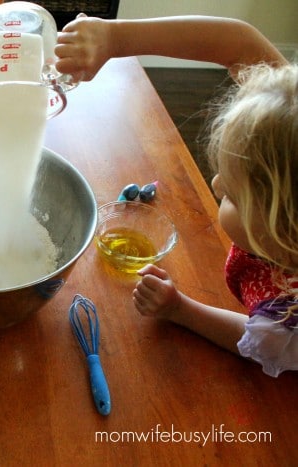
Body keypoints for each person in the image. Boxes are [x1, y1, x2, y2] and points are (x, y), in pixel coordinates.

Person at [55, 15, 297, 377]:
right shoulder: (288, 122)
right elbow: (239, 44)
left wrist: (180, 309)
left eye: (231, 195)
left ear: (284, 233)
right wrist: (113, 37)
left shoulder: (286, 320)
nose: (215, 185)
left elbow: (258, 343)